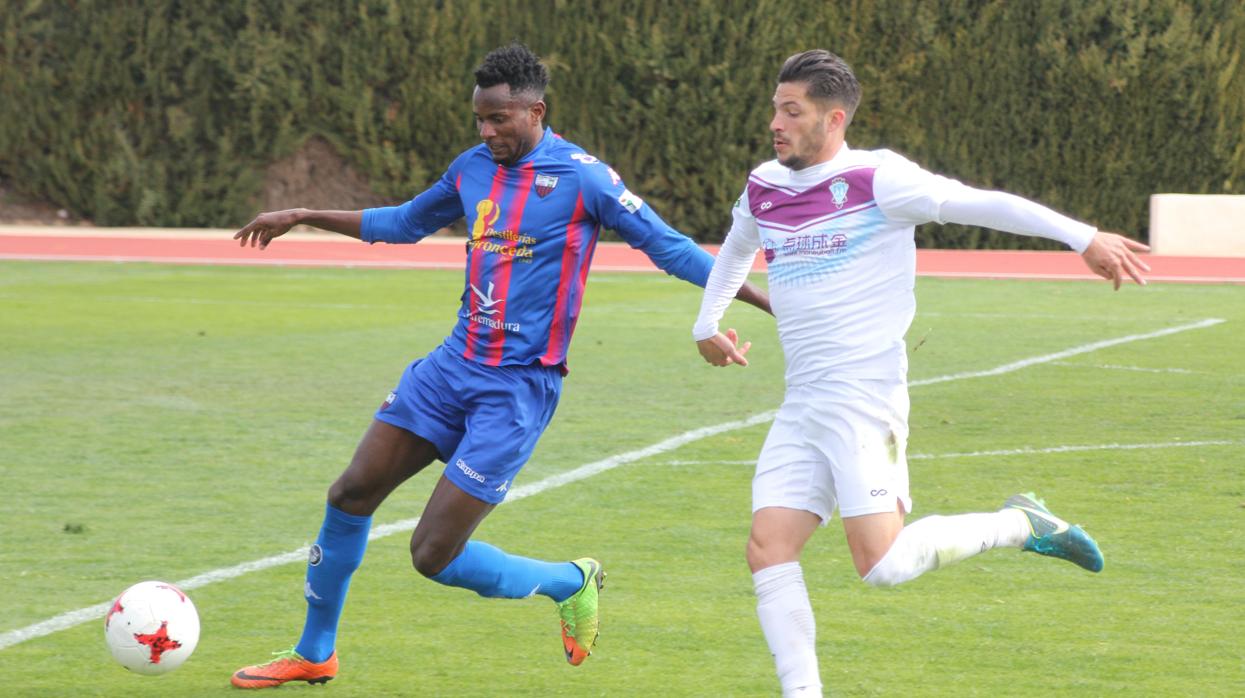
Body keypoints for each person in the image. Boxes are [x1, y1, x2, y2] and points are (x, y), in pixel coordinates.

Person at [228, 43, 769, 689]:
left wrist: (766, 303)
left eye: (499, 120)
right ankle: (315, 651)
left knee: (431, 555)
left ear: (535, 112)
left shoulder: (585, 177)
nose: (487, 133)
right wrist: (305, 215)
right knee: (350, 493)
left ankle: (571, 581)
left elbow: (672, 249)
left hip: (515, 391)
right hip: (449, 369)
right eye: (479, 121)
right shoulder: (472, 168)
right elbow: (402, 223)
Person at [692, 49, 1149, 697]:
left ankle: (1021, 525)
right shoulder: (764, 183)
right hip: (803, 403)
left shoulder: (878, 179)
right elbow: (738, 246)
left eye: (791, 111)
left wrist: (1082, 237)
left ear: (833, 120)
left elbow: (981, 203)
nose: (776, 121)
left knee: (879, 565)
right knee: (768, 549)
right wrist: (705, 323)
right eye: (774, 107)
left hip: (863, 399)